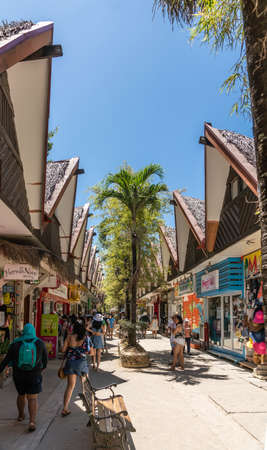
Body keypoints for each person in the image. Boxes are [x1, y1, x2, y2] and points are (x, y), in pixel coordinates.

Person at [0, 323, 48, 432]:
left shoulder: (15, 343)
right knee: (32, 398)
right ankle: (32, 421)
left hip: (19, 375)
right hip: (34, 374)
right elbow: (45, 361)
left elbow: (6, 360)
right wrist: (40, 369)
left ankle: (21, 415)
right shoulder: (40, 343)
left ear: (23, 332)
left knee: (21, 395)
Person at [61, 321, 91, 416]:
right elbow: (88, 351)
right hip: (82, 363)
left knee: (70, 386)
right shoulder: (86, 338)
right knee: (85, 386)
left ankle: (65, 408)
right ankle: (90, 408)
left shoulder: (69, 337)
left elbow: (63, 350)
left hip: (70, 362)